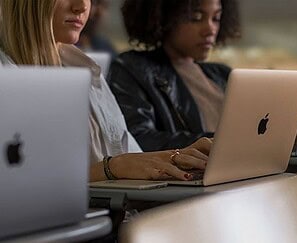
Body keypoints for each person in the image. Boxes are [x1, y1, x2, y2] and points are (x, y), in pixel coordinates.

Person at [0, 0, 211, 182]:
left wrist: (175, 160)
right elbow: (22, 184)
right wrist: (111, 169)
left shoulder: (89, 73)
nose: (82, 7)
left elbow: (130, 155)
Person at [108, 0, 241, 152]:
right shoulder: (133, 68)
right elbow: (137, 139)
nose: (210, 29)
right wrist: (216, 143)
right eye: (196, 17)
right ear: (165, 17)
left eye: (216, 18)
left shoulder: (223, 74)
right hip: (195, 173)